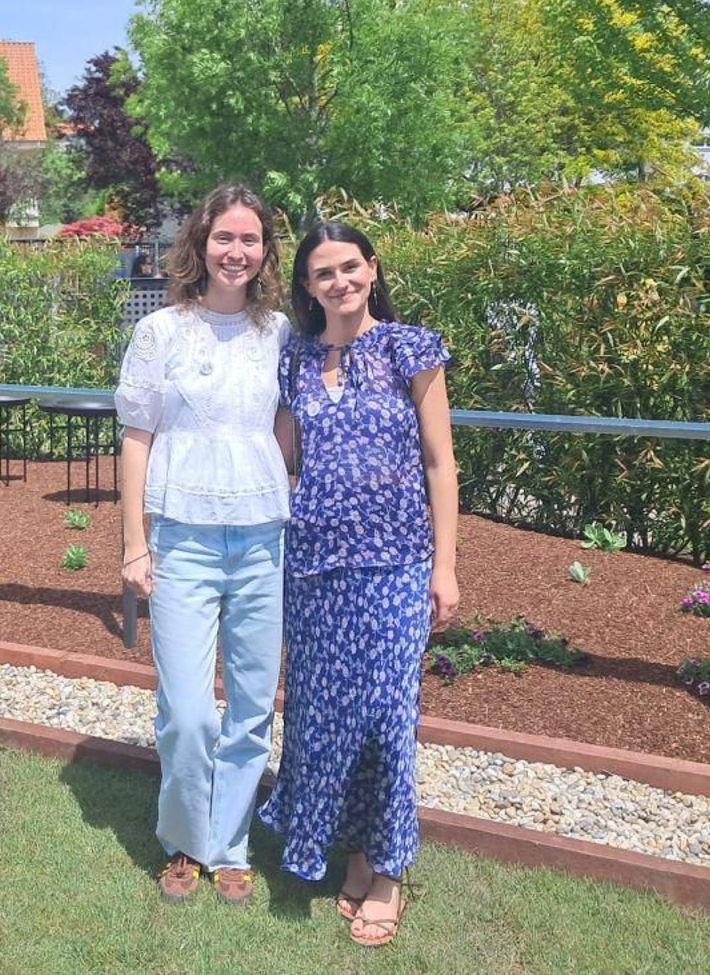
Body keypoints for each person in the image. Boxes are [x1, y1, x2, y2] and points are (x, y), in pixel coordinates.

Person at [257, 221, 460, 948]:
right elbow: (279, 457)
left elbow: (440, 462)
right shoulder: (298, 361)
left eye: (349, 266)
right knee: (320, 717)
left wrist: (445, 564)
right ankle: (349, 851)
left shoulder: (411, 347)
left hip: (398, 562)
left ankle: (388, 870)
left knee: (384, 716)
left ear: (372, 269)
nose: (339, 281)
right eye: (323, 273)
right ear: (308, 288)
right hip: (312, 567)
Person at [114, 184, 293, 905]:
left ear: (265, 252)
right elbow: (135, 438)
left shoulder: (279, 332)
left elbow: (289, 425)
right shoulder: (161, 332)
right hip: (182, 538)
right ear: (200, 243)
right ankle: (183, 838)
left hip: (260, 539)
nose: (237, 251)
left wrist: (278, 473)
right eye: (225, 237)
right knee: (188, 711)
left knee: (251, 706)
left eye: (250, 240)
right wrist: (135, 544)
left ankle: (229, 843)